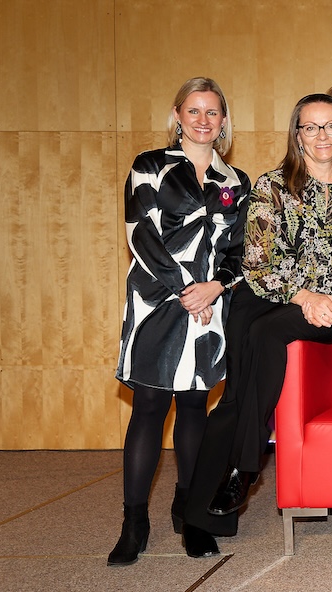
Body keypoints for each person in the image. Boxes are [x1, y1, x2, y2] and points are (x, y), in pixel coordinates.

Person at [182, 93, 332, 557]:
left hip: (328, 312)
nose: (322, 136)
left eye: (330, 126)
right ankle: (199, 516)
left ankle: (246, 467)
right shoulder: (272, 186)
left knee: (266, 339)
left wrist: (331, 303)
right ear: (297, 135)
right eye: (310, 127)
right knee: (234, 399)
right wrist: (304, 296)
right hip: (265, 296)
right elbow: (257, 261)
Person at [109, 77, 249, 566]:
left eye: (213, 112)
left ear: (224, 121)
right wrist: (186, 290)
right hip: (157, 299)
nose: (204, 120)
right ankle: (134, 521)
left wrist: (216, 287)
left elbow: (237, 250)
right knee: (149, 406)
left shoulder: (235, 182)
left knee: (194, 408)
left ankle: (190, 515)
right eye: (194, 111)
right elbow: (140, 233)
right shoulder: (150, 166)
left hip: (210, 304)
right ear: (177, 115)